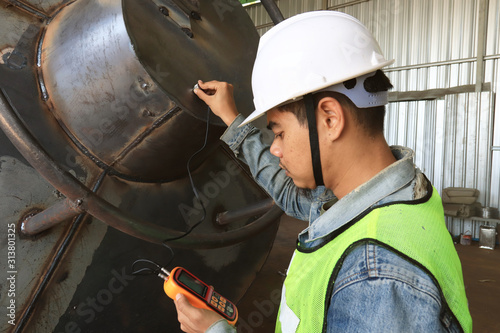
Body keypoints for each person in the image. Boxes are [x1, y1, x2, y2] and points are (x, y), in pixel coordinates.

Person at [174, 11, 472, 333]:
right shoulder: (384, 195)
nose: (275, 149)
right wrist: (233, 120)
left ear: (330, 118)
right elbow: (290, 195)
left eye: (279, 133)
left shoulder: (375, 277)